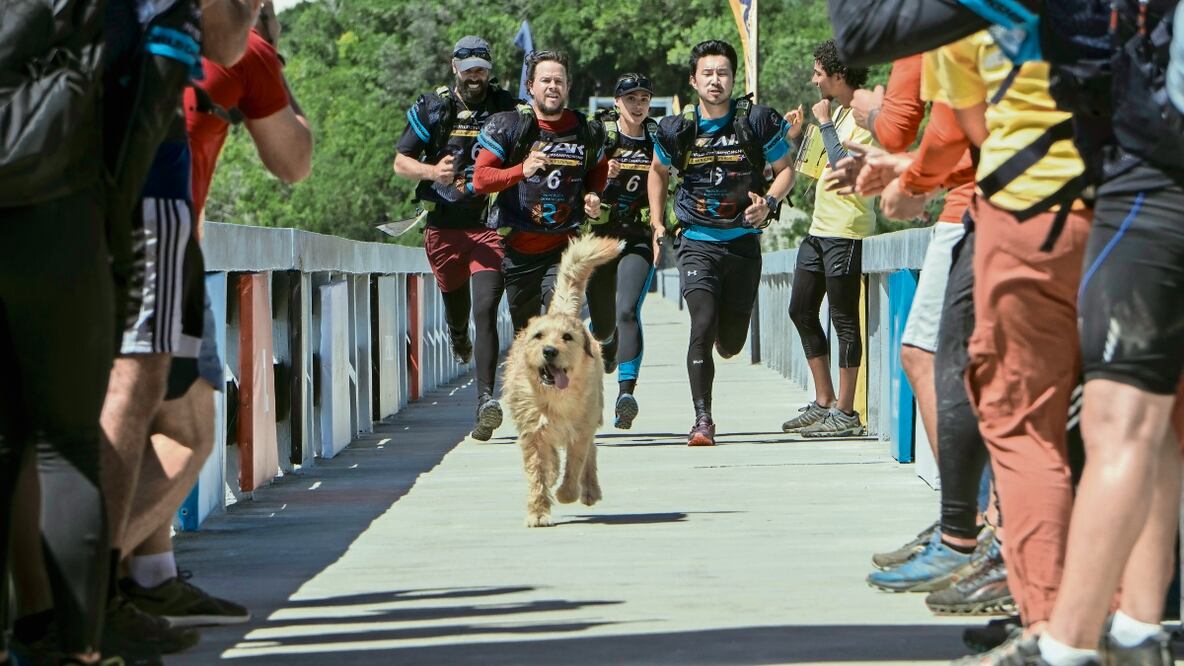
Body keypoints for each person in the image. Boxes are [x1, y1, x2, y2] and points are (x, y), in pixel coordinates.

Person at [105, 1, 313, 634]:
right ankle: (77, 584)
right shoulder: (243, 48)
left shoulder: (105, 28)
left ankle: (151, 576)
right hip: (161, 247)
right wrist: (272, 52)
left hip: (73, 231)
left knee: (125, 424)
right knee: (188, 427)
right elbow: (292, 161)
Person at [926, 31, 1092, 666]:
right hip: (1143, 211)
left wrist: (909, 174)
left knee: (1026, 429)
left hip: (1030, 216)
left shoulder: (969, 16)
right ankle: (1135, 618)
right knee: (1134, 429)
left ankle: (1050, 625)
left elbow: (963, 129)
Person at [1037, 1, 1184, 663]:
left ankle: (1067, 647)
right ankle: (1137, 629)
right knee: (1151, 422)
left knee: (1122, 419)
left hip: (1152, 177)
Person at [648, 39, 794, 447]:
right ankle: (702, 420)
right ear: (694, 80)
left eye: (723, 73)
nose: (716, 80)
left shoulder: (757, 121)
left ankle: (722, 334)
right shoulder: (677, 128)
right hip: (696, 241)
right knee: (701, 324)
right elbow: (657, 172)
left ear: (733, 78)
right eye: (708, 73)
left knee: (730, 344)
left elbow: (786, 171)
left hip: (744, 245)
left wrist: (768, 202)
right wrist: (658, 223)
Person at [394, 35, 519, 441]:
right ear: (454, 69)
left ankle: (485, 400)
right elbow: (400, 162)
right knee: (457, 307)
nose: (476, 78)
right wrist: (433, 173)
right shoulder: (434, 107)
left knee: (486, 309)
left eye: (481, 70)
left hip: (487, 224)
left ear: (490, 69)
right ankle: (457, 335)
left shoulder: (506, 106)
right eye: (468, 72)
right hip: (443, 225)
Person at [472, 49, 608, 332]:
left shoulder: (586, 130)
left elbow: (599, 168)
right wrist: (522, 169)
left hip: (563, 246)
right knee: (529, 334)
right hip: (518, 247)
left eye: (559, 81)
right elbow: (481, 179)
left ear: (568, 86)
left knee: (561, 320)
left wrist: (593, 194)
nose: (552, 87)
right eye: (545, 80)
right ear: (530, 86)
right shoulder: (510, 125)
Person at [780, 39, 876, 438]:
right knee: (800, 309)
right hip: (819, 230)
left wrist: (821, 123)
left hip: (847, 230)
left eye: (818, 73)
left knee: (844, 322)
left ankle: (846, 411)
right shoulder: (835, 112)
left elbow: (846, 170)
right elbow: (815, 168)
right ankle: (823, 401)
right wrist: (795, 135)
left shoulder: (867, 113)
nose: (813, 79)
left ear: (839, 75)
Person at [585, 73, 659, 430]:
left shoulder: (657, 139)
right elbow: (577, 177)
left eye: (643, 98)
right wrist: (602, 174)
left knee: (628, 309)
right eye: (630, 98)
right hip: (601, 238)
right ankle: (607, 341)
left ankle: (625, 394)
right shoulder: (603, 136)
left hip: (638, 237)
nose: (638, 104)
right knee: (601, 324)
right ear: (617, 102)